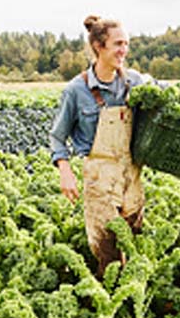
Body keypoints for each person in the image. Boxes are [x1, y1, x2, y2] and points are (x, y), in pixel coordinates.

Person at [49, 15, 159, 278]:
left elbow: (165, 94)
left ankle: (133, 300)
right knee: (107, 249)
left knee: (133, 240)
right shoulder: (77, 90)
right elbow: (57, 136)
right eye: (118, 44)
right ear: (99, 46)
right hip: (100, 176)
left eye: (127, 44)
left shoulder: (134, 81)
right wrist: (65, 171)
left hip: (130, 173)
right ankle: (106, 302)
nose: (124, 50)